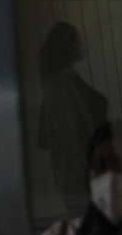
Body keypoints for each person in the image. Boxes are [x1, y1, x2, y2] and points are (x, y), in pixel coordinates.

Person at [38, 22, 110, 219]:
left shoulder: (70, 78)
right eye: (78, 39)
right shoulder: (58, 85)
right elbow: (70, 140)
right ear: (69, 45)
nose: (82, 43)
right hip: (81, 176)